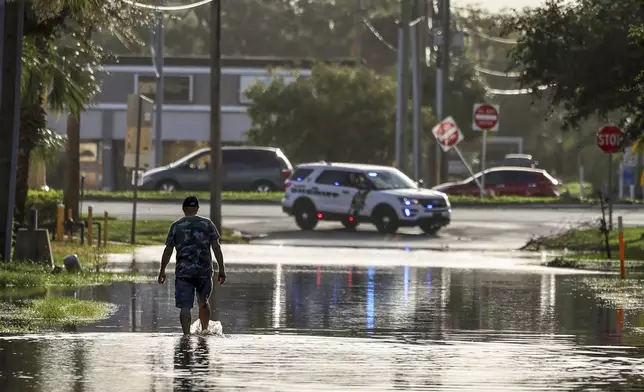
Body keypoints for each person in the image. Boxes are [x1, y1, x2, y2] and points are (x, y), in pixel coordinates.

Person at [158, 196, 227, 335]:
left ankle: (186, 337)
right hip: (204, 271)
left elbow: (168, 250)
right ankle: (204, 332)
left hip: (184, 273)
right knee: (203, 301)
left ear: (183, 209)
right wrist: (221, 269)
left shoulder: (176, 226)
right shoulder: (207, 224)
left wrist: (162, 270)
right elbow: (216, 247)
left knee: (185, 306)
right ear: (197, 209)